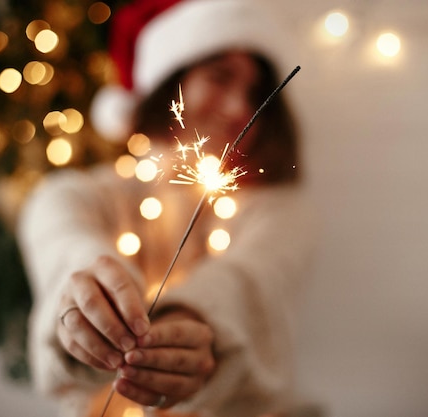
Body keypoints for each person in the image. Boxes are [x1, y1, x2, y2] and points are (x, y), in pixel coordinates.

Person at [17, 1, 317, 416]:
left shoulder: (278, 210)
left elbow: (252, 280)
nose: (239, 110)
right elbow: (66, 244)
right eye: (219, 78)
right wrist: (91, 297)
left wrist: (196, 319)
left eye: (255, 94)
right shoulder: (71, 197)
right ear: (169, 83)